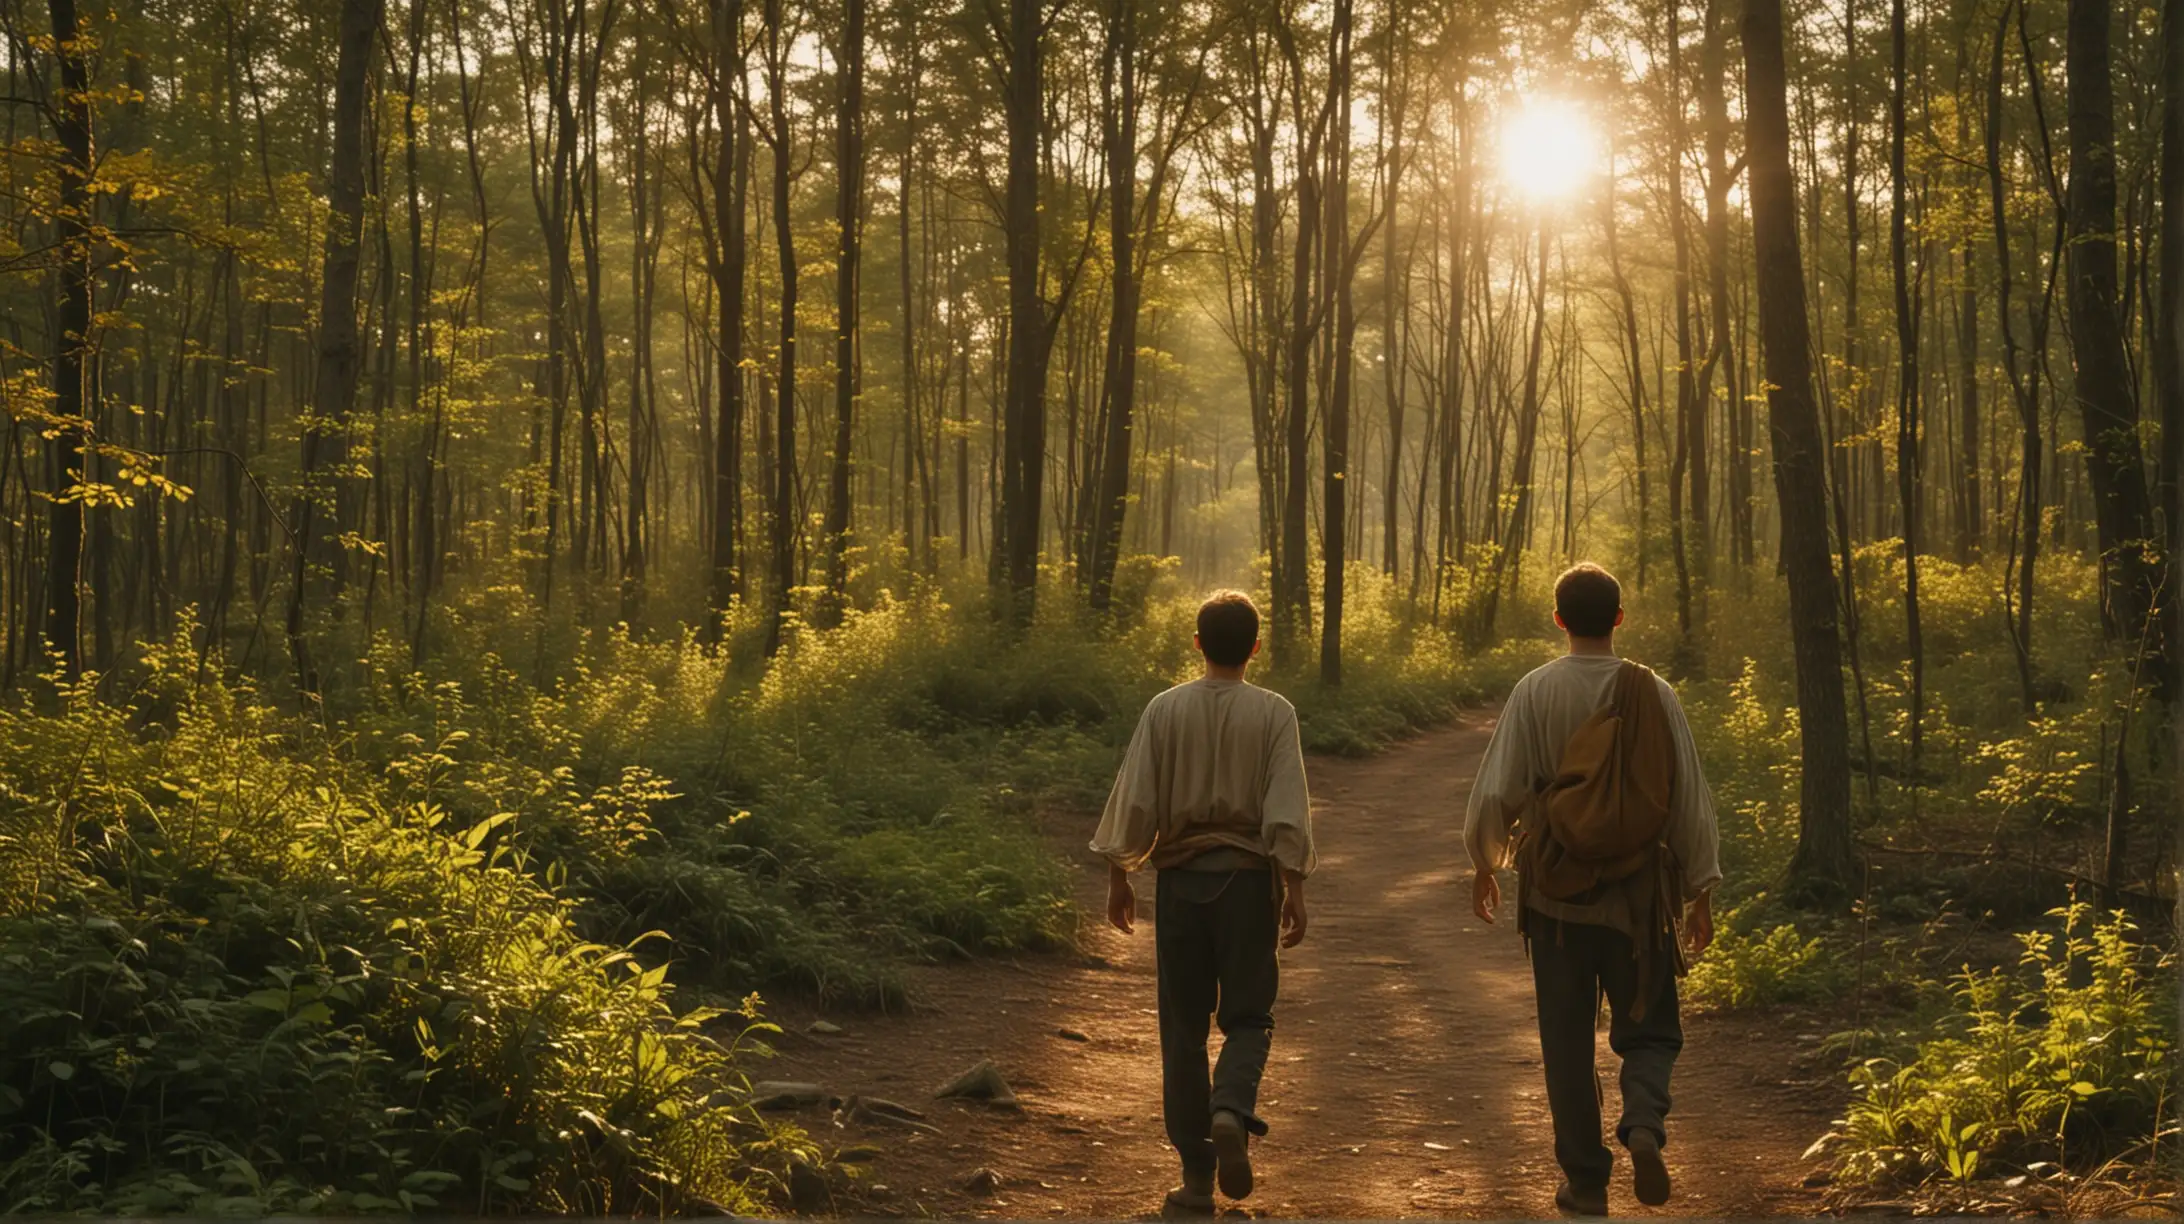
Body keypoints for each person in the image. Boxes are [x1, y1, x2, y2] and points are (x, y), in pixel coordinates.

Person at [1463, 563, 1720, 1217]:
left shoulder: (1535, 690)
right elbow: (1686, 794)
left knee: (1567, 1042)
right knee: (1653, 1030)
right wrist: (1701, 889)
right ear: (1619, 618)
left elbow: (1499, 789)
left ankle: (1584, 1182)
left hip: (1555, 900)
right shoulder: (1652, 692)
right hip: (1639, 899)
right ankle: (1642, 1125)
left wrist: (1485, 861)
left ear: (1558, 620)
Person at [1090, 590, 1315, 1215]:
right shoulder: (1274, 713)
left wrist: (1120, 875)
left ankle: (1195, 1178)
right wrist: (1293, 887)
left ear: (1197, 643)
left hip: (1181, 884)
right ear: (1256, 648)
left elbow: (1136, 798)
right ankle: (1231, 1110)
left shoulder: (1166, 709)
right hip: (1247, 884)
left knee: (1183, 1030)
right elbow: (1287, 809)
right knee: (1249, 1017)